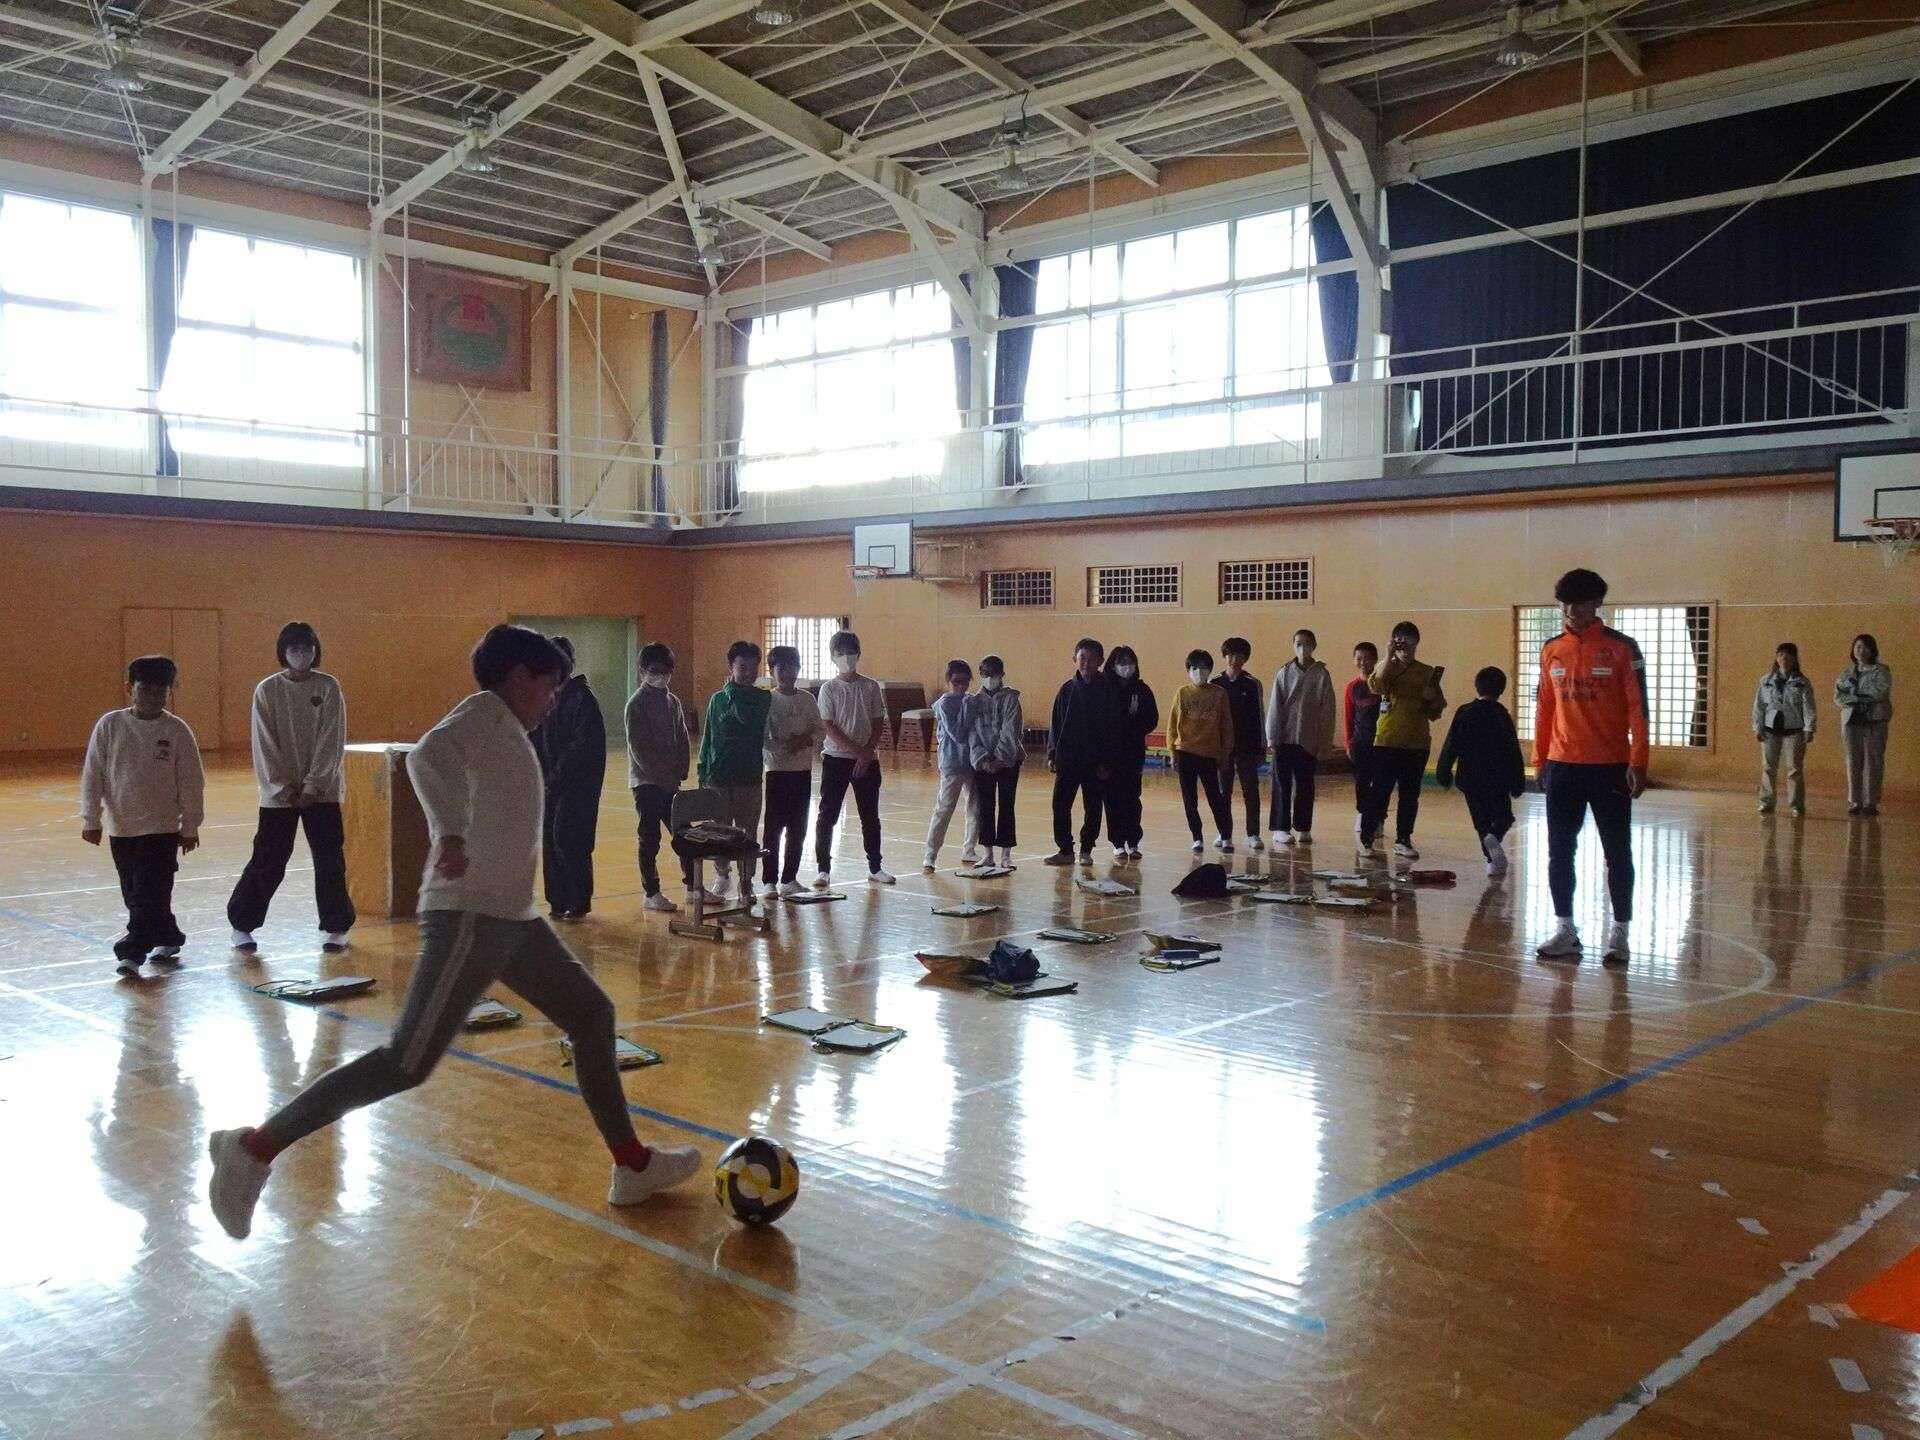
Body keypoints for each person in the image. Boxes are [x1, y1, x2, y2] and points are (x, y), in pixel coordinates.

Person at [206, 625, 701, 1240]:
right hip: (470, 917)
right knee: (406, 1062)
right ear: (518, 677)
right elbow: (425, 757)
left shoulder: (509, 728)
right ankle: (252, 1148)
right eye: (548, 685)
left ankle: (632, 1164)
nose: (553, 699)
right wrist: (452, 833)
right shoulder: (482, 715)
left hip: (514, 919)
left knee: (592, 1015)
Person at [1534, 568, 1647, 965]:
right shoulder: (1551, 649)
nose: (1571, 611)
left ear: (1597, 603)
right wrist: (1540, 759)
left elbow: (1638, 710)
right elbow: (1545, 708)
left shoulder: (1622, 648)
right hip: (1562, 767)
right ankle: (1565, 929)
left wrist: (1638, 761)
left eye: (1579, 604)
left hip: (1609, 767)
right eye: (1564, 604)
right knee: (1559, 851)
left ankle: (1620, 933)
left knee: (1617, 851)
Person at [227, 621, 353, 953]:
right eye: (295, 649)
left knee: (329, 860)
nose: (301, 655)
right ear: (283, 652)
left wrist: (314, 785)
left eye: (307, 649)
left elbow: (332, 737)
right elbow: (264, 741)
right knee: (269, 859)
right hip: (278, 796)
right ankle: (242, 925)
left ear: (316, 651)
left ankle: (336, 926)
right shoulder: (267, 690)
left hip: (322, 794)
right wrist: (281, 786)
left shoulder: (328, 687)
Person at [81, 654, 206, 978]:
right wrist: (91, 819)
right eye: (145, 689)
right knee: (136, 893)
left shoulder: (177, 730)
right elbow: (93, 773)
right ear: (130, 688)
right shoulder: (110, 725)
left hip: (162, 829)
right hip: (122, 827)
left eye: (161, 690)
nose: (153, 696)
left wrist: (190, 825)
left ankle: (132, 953)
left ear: (169, 692)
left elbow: (191, 781)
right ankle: (168, 936)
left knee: (147, 893)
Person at [533, 636, 607, 922]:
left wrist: (558, 775)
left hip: (577, 787)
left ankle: (578, 901)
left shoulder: (582, 700)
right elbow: (534, 736)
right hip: (550, 783)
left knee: (568, 838)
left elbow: (584, 747)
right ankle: (557, 900)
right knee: (550, 841)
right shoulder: (546, 698)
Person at [814, 629, 894, 886]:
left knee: (870, 816)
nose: (846, 658)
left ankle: (875, 867)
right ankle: (823, 869)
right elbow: (829, 725)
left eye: (850, 652)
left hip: (868, 760)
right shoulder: (828, 689)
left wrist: (867, 754)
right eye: (840, 653)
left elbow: (878, 721)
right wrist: (857, 752)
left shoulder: (870, 686)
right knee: (828, 814)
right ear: (832, 657)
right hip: (836, 759)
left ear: (858, 655)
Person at [626, 642, 701, 914]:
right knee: (649, 839)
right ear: (643, 670)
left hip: (671, 783)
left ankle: (693, 887)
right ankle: (651, 892)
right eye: (655, 670)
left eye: (666, 670)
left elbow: (682, 737)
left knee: (685, 835)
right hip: (646, 784)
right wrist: (661, 777)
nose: (661, 675)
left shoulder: (673, 702)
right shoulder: (636, 704)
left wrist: (682, 768)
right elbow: (639, 749)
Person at [1362, 621, 1447, 861]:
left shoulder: (1427, 672)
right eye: (1399, 638)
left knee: (1410, 795)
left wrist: (1432, 698)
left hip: (1417, 743)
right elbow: (1377, 686)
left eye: (1409, 639)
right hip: (1387, 740)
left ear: (1416, 642)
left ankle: (1403, 839)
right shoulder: (1385, 665)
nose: (1404, 643)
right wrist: (1388, 654)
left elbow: (1435, 712)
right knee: (1379, 792)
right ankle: (1367, 837)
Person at [698, 639, 772, 905]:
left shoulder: (763, 699)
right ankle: (722, 874)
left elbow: (746, 720)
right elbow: (708, 737)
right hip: (718, 777)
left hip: (748, 777)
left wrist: (732, 692)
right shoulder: (717, 699)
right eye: (742, 667)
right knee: (719, 831)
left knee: (747, 833)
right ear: (731, 667)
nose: (748, 673)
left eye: (753, 667)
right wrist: (702, 771)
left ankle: (746, 882)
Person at [1435, 666, 1527, 876]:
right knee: (1504, 817)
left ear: (1476, 686)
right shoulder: (1501, 714)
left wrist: (1443, 772)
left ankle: (1491, 860)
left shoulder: (1464, 712)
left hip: (1470, 779)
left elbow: (1451, 744)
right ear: (1501, 689)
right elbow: (1512, 749)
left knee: (1481, 822)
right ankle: (1494, 843)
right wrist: (1518, 782)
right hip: (1498, 779)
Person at [1045, 638, 1123, 865]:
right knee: (1060, 805)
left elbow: (1114, 730)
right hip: (1068, 760)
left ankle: (1086, 849)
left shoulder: (1108, 691)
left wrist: (1108, 763)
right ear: (1075, 659)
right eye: (1082, 658)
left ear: (1100, 661)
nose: (1086, 664)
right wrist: (1052, 754)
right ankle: (1065, 850)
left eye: (1091, 659)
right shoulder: (1066, 690)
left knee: (1093, 806)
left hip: (1096, 763)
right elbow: (1056, 724)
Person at [761, 645, 824, 898]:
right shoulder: (768, 700)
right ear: (772, 671)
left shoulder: (807, 699)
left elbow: (819, 729)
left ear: (799, 669)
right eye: (781, 668)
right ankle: (769, 880)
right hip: (777, 770)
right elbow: (762, 736)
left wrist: (804, 740)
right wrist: (782, 747)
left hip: (802, 770)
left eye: (792, 667)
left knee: (798, 826)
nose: (787, 673)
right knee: (773, 828)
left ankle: (789, 878)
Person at [1265, 629, 1336, 848]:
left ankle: (1304, 827)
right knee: (1282, 785)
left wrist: (1324, 743)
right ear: (1293, 646)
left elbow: (1327, 711)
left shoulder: (1322, 675)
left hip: (1308, 740)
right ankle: (1281, 828)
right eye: (1298, 644)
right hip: (1284, 739)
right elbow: (1275, 706)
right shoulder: (1284, 672)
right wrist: (1272, 737)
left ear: (1314, 646)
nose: (1302, 648)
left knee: (1305, 786)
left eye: (1306, 644)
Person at [1168, 649, 1233, 854]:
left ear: (1210, 670)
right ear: (1188, 670)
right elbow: (1172, 726)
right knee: (1190, 800)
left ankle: (1225, 836)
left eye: (1204, 668)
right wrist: (1172, 752)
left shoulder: (1219, 693)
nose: (1199, 671)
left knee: (1216, 798)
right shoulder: (1182, 693)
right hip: (1185, 752)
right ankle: (1197, 837)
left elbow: (1226, 725)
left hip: (1209, 754)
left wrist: (1225, 753)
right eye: (1195, 668)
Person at [923, 659, 981, 871]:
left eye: (965, 682)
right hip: (952, 764)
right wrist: (966, 708)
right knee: (944, 809)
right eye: (956, 682)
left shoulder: (970, 700)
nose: (961, 686)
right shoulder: (945, 703)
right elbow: (957, 733)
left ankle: (969, 849)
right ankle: (930, 854)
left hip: (972, 763)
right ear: (948, 681)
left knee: (976, 808)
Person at [1104, 645, 1159, 862]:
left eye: (1130, 662)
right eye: (1121, 662)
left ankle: (1133, 840)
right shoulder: (1105, 688)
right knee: (1112, 798)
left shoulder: (1142, 689)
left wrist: (1134, 722)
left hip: (1133, 752)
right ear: (1112, 665)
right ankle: (1117, 842)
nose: (1126, 666)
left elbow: (1151, 719)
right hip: (1110, 754)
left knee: (1132, 798)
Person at [968, 654, 1023, 869]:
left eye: (993, 673)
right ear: (980, 674)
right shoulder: (974, 701)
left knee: (1007, 805)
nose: (989, 677)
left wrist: (1000, 758)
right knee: (985, 806)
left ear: (1002, 674)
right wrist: (983, 760)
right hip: (983, 762)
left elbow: (1011, 730)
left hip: (1008, 761)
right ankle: (988, 853)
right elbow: (972, 733)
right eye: (985, 673)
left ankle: (1006, 854)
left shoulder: (1011, 699)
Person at [1211, 637, 1266, 852]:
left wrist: (1261, 747)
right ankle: (1224, 832)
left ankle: (1253, 833)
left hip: (1247, 747)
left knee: (1250, 791)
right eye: (1231, 654)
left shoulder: (1252, 684)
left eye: (1240, 655)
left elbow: (1259, 717)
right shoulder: (1215, 683)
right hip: (1222, 748)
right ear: (1224, 656)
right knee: (1223, 792)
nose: (1234, 659)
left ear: (1246, 658)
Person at [1753, 642, 1817, 817]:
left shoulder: (1802, 682)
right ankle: (1766, 802)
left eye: (1788, 656)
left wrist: (1809, 728)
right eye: (1781, 655)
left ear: (1795, 659)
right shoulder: (1766, 681)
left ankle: (1796, 804)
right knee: (1768, 767)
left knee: (1794, 768)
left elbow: (1809, 707)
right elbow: (1759, 706)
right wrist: (1757, 726)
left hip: (1794, 730)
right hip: (1770, 729)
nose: (1784, 659)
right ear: (1776, 658)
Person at [1835, 634, 1892, 816]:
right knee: (1853, 759)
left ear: (1872, 650)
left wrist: (1856, 696)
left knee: (1873, 760)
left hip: (1875, 719)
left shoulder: (1881, 670)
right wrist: (1854, 698)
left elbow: (1880, 691)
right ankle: (1855, 801)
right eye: (1858, 646)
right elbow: (1838, 696)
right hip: (1851, 719)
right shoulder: (1846, 673)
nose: (1861, 650)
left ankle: (1871, 802)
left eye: (1866, 647)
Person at [1344, 642, 1381, 839]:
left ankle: (1378, 819)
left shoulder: (1382, 685)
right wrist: (1349, 742)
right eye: (1359, 658)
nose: (1363, 662)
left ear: (1375, 660)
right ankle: (1362, 813)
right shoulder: (1352, 687)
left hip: (1381, 743)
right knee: (1361, 781)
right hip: (1360, 743)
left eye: (1367, 658)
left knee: (1380, 783)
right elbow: (1348, 716)